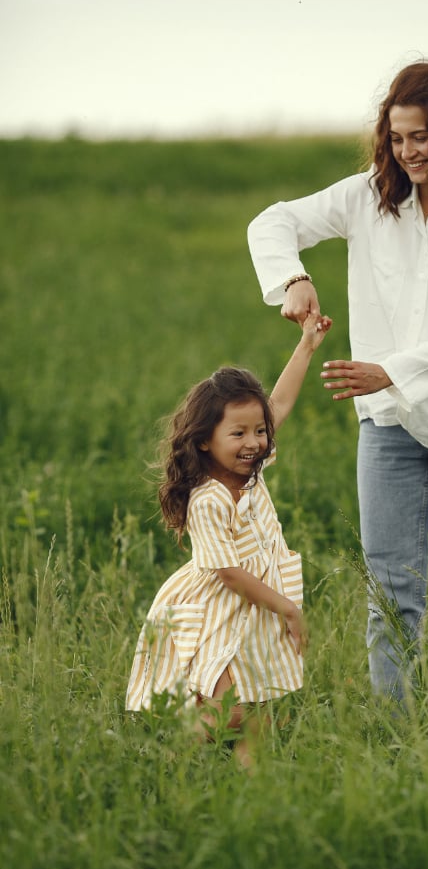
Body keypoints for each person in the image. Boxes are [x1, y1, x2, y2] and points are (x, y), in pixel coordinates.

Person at [247, 58, 428, 703]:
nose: (407, 153)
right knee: (390, 596)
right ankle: (395, 736)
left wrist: (387, 371)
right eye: (397, 139)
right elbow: (273, 222)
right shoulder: (366, 199)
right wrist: (293, 278)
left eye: (420, 137)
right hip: (389, 429)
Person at [126, 313, 332, 763]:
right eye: (237, 433)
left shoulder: (252, 470)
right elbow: (229, 574)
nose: (254, 442)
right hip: (217, 606)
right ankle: (164, 760)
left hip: (250, 605)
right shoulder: (208, 500)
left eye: (258, 432)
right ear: (204, 441)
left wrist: (307, 346)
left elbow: (278, 404)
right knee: (228, 711)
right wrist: (287, 608)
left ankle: (245, 780)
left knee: (256, 706)